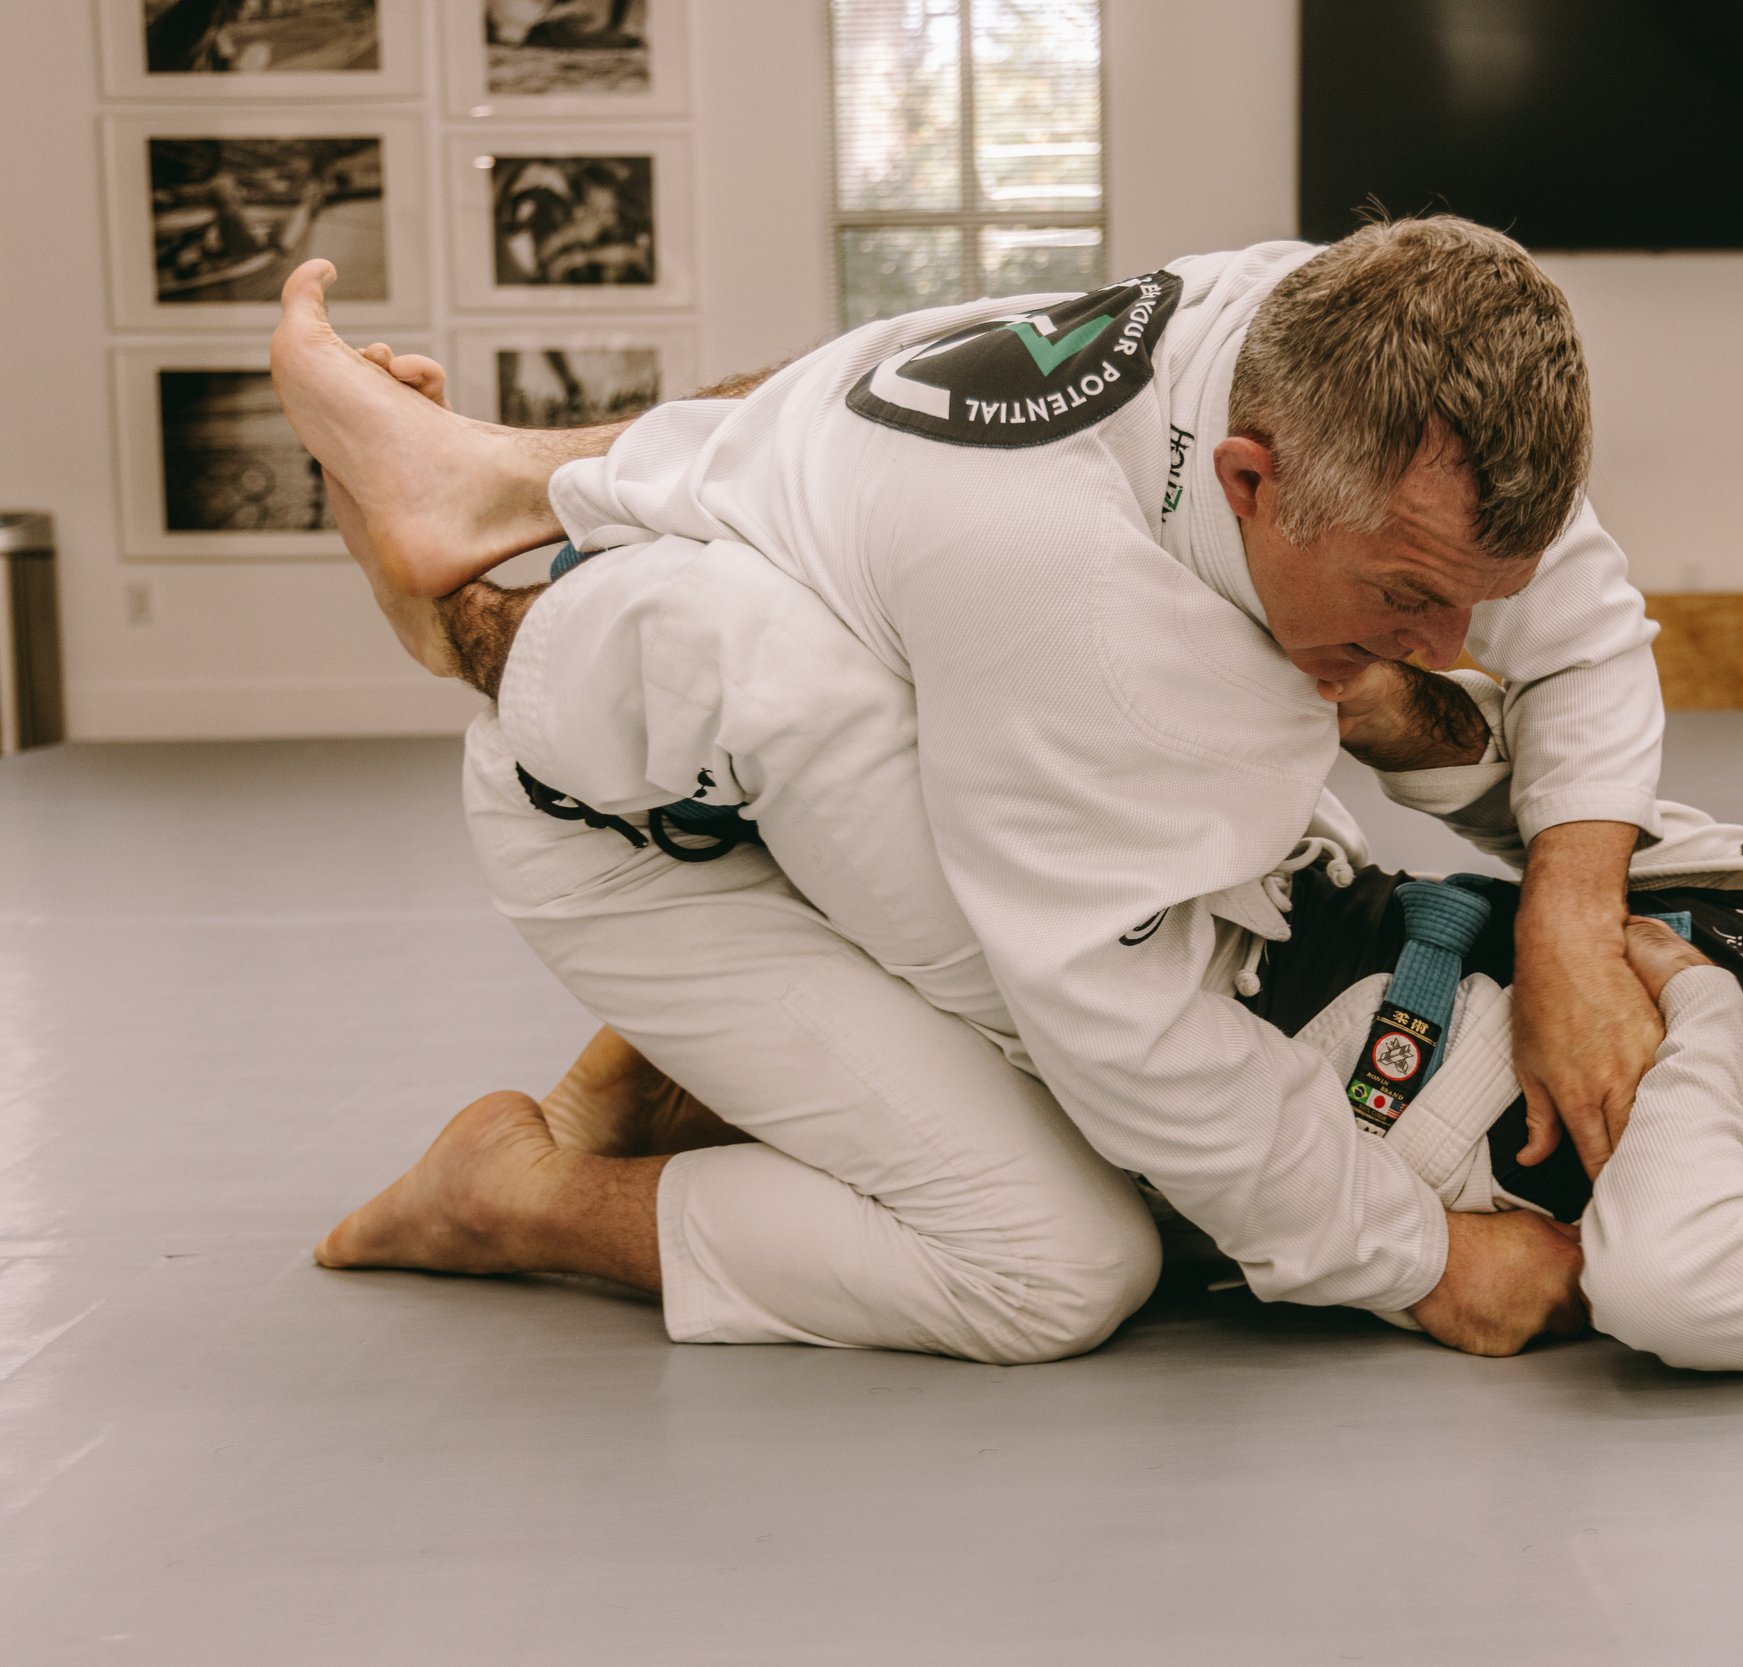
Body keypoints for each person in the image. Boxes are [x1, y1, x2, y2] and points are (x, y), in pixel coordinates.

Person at [274, 219, 1670, 1361]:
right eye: (1411, 598)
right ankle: (507, 1198)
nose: (1452, 650)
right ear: (1250, 477)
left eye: (1482, 599)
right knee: (1056, 1267)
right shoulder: (1077, 617)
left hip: (820, 692)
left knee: (1203, 796)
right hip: (644, 818)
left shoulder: (1313, 331)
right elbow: (1133, 1038)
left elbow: (1591, 635)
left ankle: (491, 495)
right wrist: (1419, 1262)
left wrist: (1570, 919)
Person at [320, 657, 1743, 1372]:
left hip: (1264, 1117)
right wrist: (1436, 748)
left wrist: (1673, 1013)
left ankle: (519, 1192)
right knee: (958, 710)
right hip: (1302, 903)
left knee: (1059, 1276)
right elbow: (1579, 855)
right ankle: (573, 641)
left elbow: (1685, 1288)